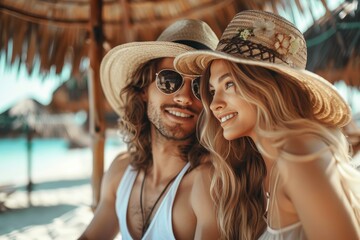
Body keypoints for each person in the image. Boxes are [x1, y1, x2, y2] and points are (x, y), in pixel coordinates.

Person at [174, 10, 360, 240]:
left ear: (265, 87)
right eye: (212, 91)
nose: (214, 105)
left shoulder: (298, 155)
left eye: (229, 85)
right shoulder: (256, 172)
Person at [78, 19, 220, 240]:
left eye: (199, 88)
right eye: (169, 80)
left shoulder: (207, 183)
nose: (184, 98)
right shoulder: (120, 171)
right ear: (144, 89)